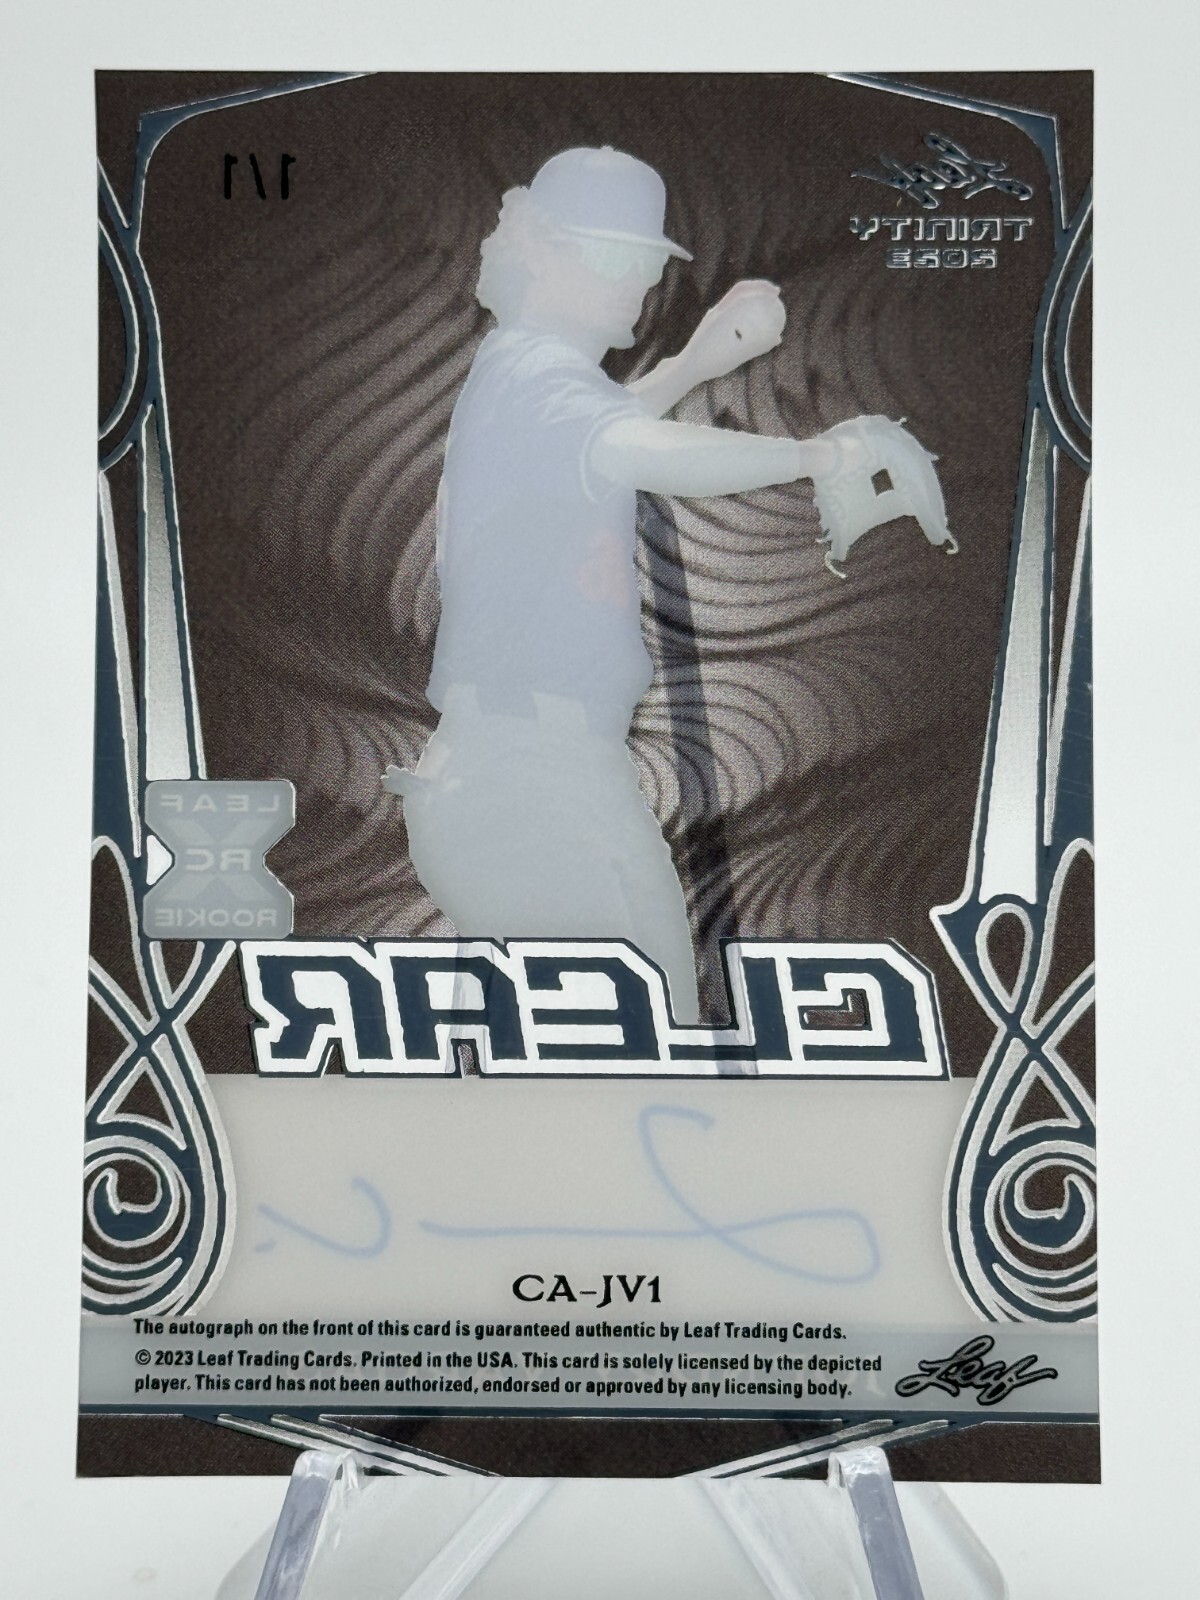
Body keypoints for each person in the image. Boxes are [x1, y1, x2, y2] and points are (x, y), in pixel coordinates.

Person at [385, 146, 870, 1026]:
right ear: (541, 252)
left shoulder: (531, 379)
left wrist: (693, 363)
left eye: (644, 261)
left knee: (645, 1040)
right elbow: (633, 449)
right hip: (522, 780)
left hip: (553, 774)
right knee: (620, 1052)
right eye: (608, 255)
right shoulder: (531, 369)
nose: (634, 282)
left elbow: (601, 429)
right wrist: (817, 455)